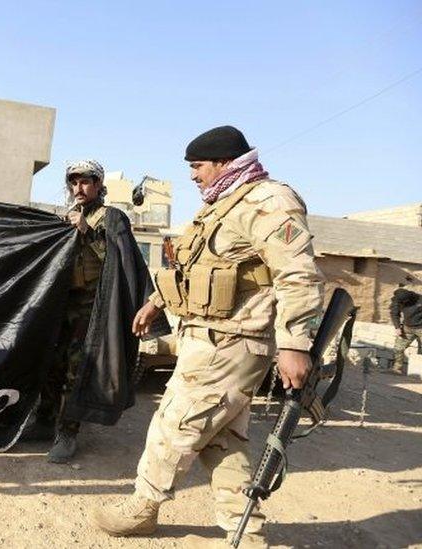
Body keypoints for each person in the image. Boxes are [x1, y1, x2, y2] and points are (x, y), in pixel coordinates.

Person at [93, 126, 324, 548]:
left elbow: (299, 275)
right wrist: (156, 302)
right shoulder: (220, 205)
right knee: (221, 439)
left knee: (174, 423)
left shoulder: (269, 201)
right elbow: (191, 266)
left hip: (233, 341)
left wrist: (294, 343)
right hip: (209, 337)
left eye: (197, 167)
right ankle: (246, 532)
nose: (193, 176)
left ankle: (144, 506)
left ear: (223, 162)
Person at [30, 159, 165, 464]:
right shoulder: (68, 216)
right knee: (52, 362)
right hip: (64, 305)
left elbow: (119, 262)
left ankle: (67, 432)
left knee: (75, 371)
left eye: (86, 181)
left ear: (99, 185)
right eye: (74, 182)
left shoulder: (112, 217)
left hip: (94, 309)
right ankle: (43, 421)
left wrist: (87, 232)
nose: (79, 187)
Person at [391, 285, 422, 374]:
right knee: (398, 349)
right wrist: (397, 327)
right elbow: (394, 313)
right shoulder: (397, 300)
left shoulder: (419, 299)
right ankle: (397, 369)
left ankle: (418, 372)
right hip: (407, 328)